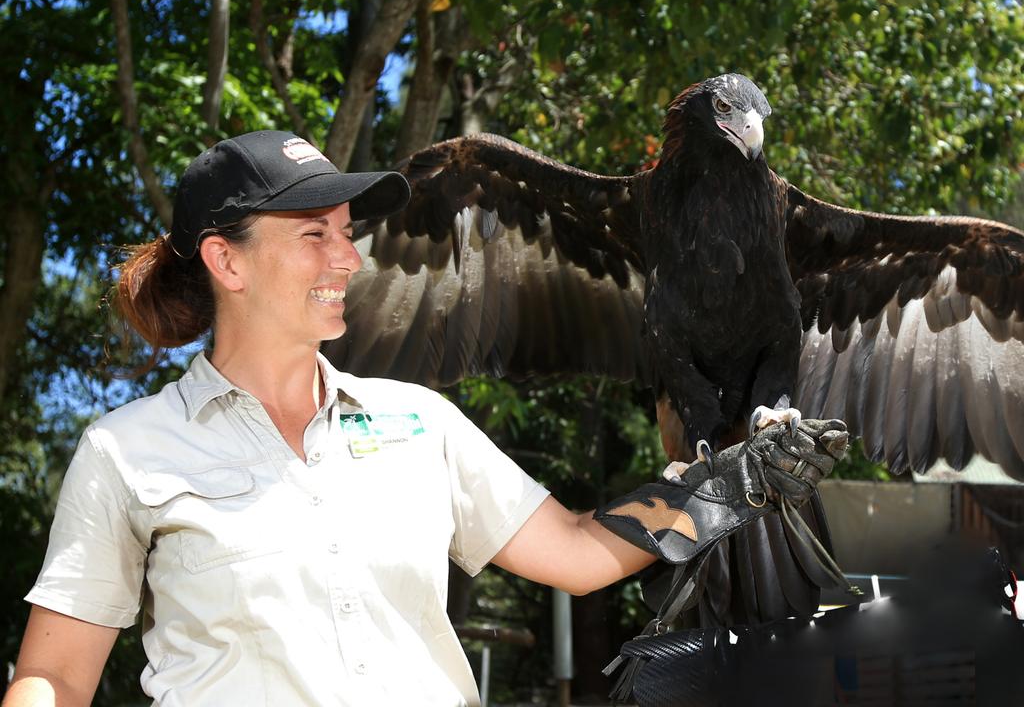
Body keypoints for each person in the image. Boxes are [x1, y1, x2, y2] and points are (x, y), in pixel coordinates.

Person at [3, 131, 845, 707]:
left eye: (345, 232)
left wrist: (718, 493)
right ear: (227, 260)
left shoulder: (419, 423)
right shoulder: (128, 452)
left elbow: (581, 549)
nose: (349, 258)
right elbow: (54, 679)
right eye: (313, 236)